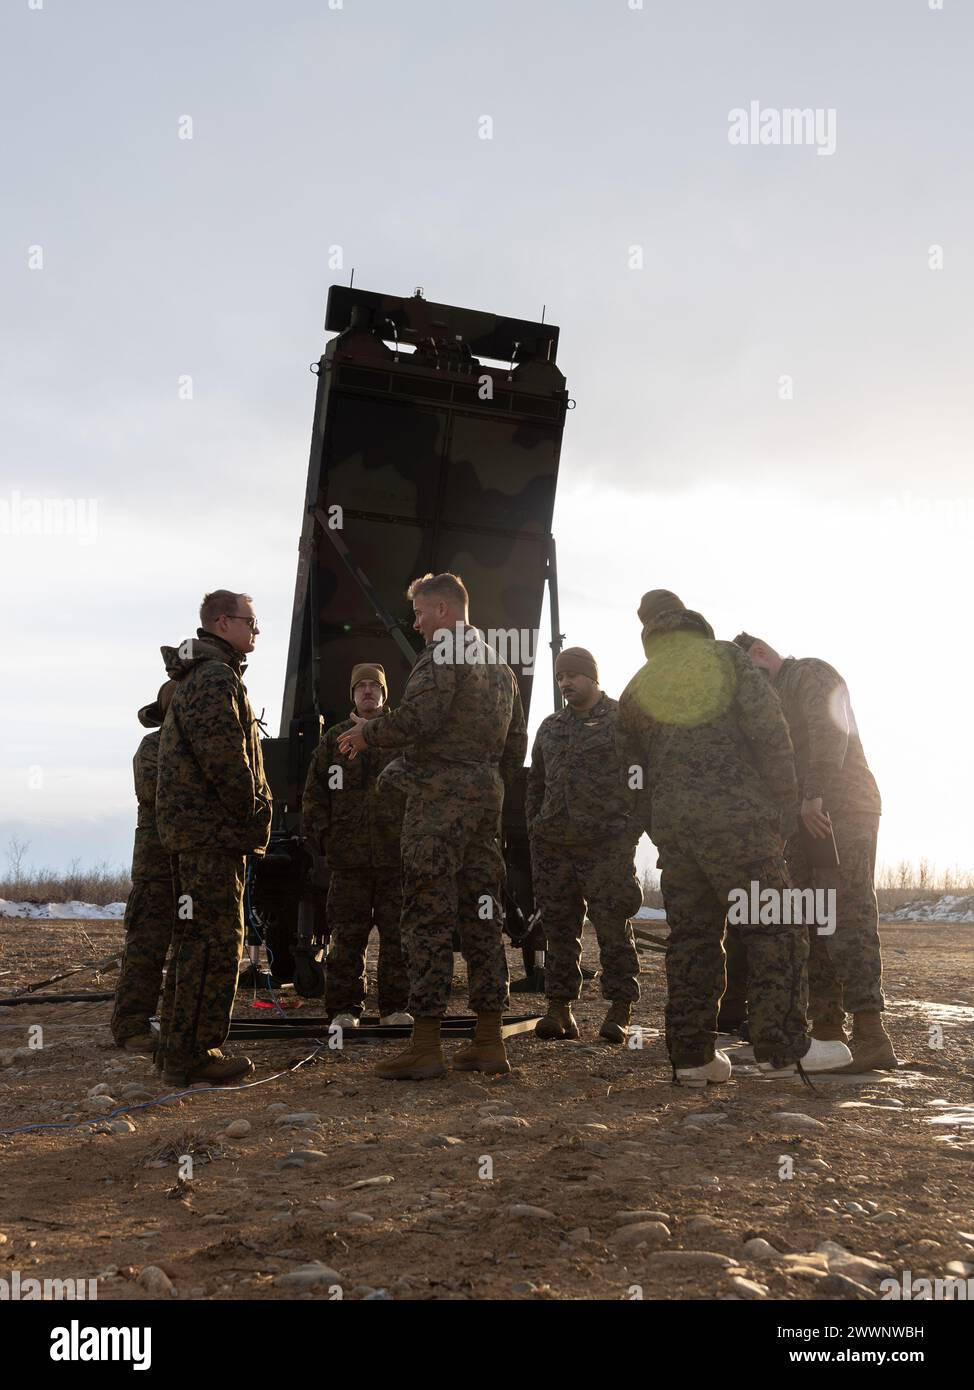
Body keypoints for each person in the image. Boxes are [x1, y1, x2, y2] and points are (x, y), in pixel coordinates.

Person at [617, 589, 853, 1084]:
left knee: (693, 939)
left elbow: (631, 773)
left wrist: (658, 827)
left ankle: (692, 1058)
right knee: (776, 928)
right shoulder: (725, 658)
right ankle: (784, 1049)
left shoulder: (637, 688)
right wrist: (783, 811)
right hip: (739, 822)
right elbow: (771, 733)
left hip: (675, 833)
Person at [337, 572, 527, 1079]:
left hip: (437, 807)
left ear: (443, 610)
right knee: (483, 918)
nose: (417, 624)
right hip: (484, 806)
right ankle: (490, 1042)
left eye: (421, 613)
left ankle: (425, 1047)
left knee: (427, 917)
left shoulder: (444, 653)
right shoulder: (501, 666)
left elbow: (420, 717)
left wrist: (368, 735)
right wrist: (487, 786)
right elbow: (515, 746)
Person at [733, 633, 896, 1070]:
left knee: (847, 910)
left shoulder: (809, 672)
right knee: (813, 915)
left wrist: (814, 795)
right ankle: (827, 1030)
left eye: (749, 674)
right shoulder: (768, 698)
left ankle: (871, 1035)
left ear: (761, 653)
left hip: (838, 810)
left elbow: (829, 730)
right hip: (804, 819)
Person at [155, 590, 272, 1086]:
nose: (256, 630)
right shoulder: (214, 679)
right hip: (213, 836)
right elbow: (227, 761)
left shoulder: (203, 676)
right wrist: (253, 813)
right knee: (215, 943)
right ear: (223, 623)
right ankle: (196, 1052)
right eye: (251, 621)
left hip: (200, 834)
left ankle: (175, 1051)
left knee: (193, 940)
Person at [526, 647, 642, 1044]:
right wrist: (536, 828)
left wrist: (629, 831)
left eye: (573, 675)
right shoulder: (550, 726)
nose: (565, 683)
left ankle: (620, 1007)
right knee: (559, 928)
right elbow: (536, 784)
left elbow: (638, 778)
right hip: (555, 845)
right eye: (560, 677)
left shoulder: (620, 721)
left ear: (593, 677)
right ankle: (559, 1009)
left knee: (611, 926)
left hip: (605, 845)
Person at [302, 662, 410, 1027]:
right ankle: (344, 1010)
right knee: (347, 937)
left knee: (398, 937)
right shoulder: (334, 739)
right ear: (352, 694)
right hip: (349, 861)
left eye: (374, 686)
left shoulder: (400, 737)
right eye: (361, 686)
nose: (368, 692)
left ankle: (396, 1008)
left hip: (395, 857)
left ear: (384, 693)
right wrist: (326, 837)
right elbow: (314, 795)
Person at [110, 682, 177, 1052]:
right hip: (156, 865)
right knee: (147, 947)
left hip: (192, 865)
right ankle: (132, 1026)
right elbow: (161, 794)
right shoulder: (152, 747)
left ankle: (175, 1025)